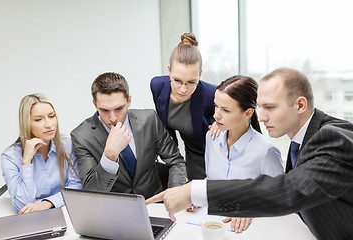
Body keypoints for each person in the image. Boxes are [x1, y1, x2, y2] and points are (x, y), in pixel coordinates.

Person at [147, 68, 353, 240]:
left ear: (300, 105)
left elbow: (289, 189)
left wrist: (195, 191)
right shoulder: (300, 141)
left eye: (270, 108)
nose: (261, 117)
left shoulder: (332, 137)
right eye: (260, 107)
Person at [71, 72, 187, 199]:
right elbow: (91, 192)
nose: (113, 118)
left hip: (154, 203)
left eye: (119, 109)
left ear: (129, 100)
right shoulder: (81, 137)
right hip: (115, 210)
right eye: (104, 110)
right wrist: (109, 156)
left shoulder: (149, 119)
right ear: (95, 104)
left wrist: (176, 195)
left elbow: (176, 162)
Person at [205, 75, 284, 233]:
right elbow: (210, 181)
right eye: (216, 106)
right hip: (211, 223)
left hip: (249, 231)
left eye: (226, 110)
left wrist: (250, 208)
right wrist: (194, 196)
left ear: (248, 113)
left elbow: (280, 198)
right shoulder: (212, 137)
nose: (216, 115)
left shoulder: (265, 151)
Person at [150, 33, 216, 180]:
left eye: (191, 82)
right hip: (189, 148)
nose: (183, 89)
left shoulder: (210, 93)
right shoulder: (157, 86)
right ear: (169, 71)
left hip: (210, 150)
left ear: (200, 74)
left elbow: (238, 106)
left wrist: (220, 123)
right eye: (177, 80)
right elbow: (163, 123)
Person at [1, 93, 82, 214]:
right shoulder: (10, 157)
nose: (49, 124)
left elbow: (77, 187)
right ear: (26, 123)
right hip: (31, 218)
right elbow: (21, 205)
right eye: (38, 119)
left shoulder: (68, 145)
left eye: (51, 116)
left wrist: (47, 203)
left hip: (65, 210)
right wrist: (26, 161)